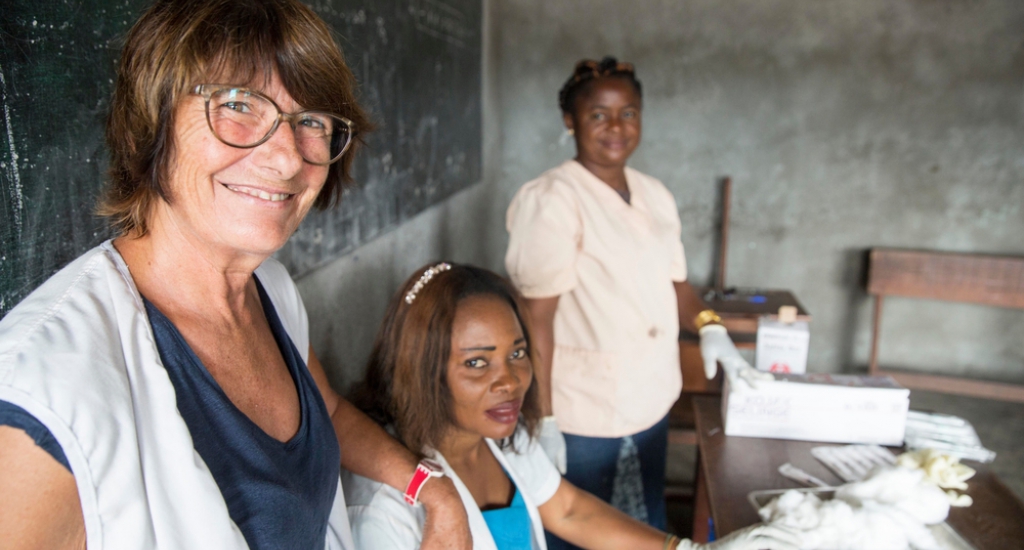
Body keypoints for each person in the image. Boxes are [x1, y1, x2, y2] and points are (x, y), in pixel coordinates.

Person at [0, 1, 471, 549]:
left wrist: (432, 489)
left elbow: (330, 410)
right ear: (152, 118)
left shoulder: (269, 291)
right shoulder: (43, 401)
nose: (288, 158)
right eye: (239, 103)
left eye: (311, 121)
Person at [504, 57, 770, 548]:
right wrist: (540, 417)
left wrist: (712, 327)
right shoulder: (553, 198)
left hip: (650, 397)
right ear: (570, 120)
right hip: (580, 410)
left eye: (628, 112)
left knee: (642, 522)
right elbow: (534, 317)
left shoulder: (655, 194)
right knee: (577, 528)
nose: (615, 127)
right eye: (598, 114)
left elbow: (680, 287)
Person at [343, 262, 797, 550]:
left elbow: (567, 510)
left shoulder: (501, 433)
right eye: (477, 363)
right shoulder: (383, 507)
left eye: (517, 352)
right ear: (420, 369)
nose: (510, 380)